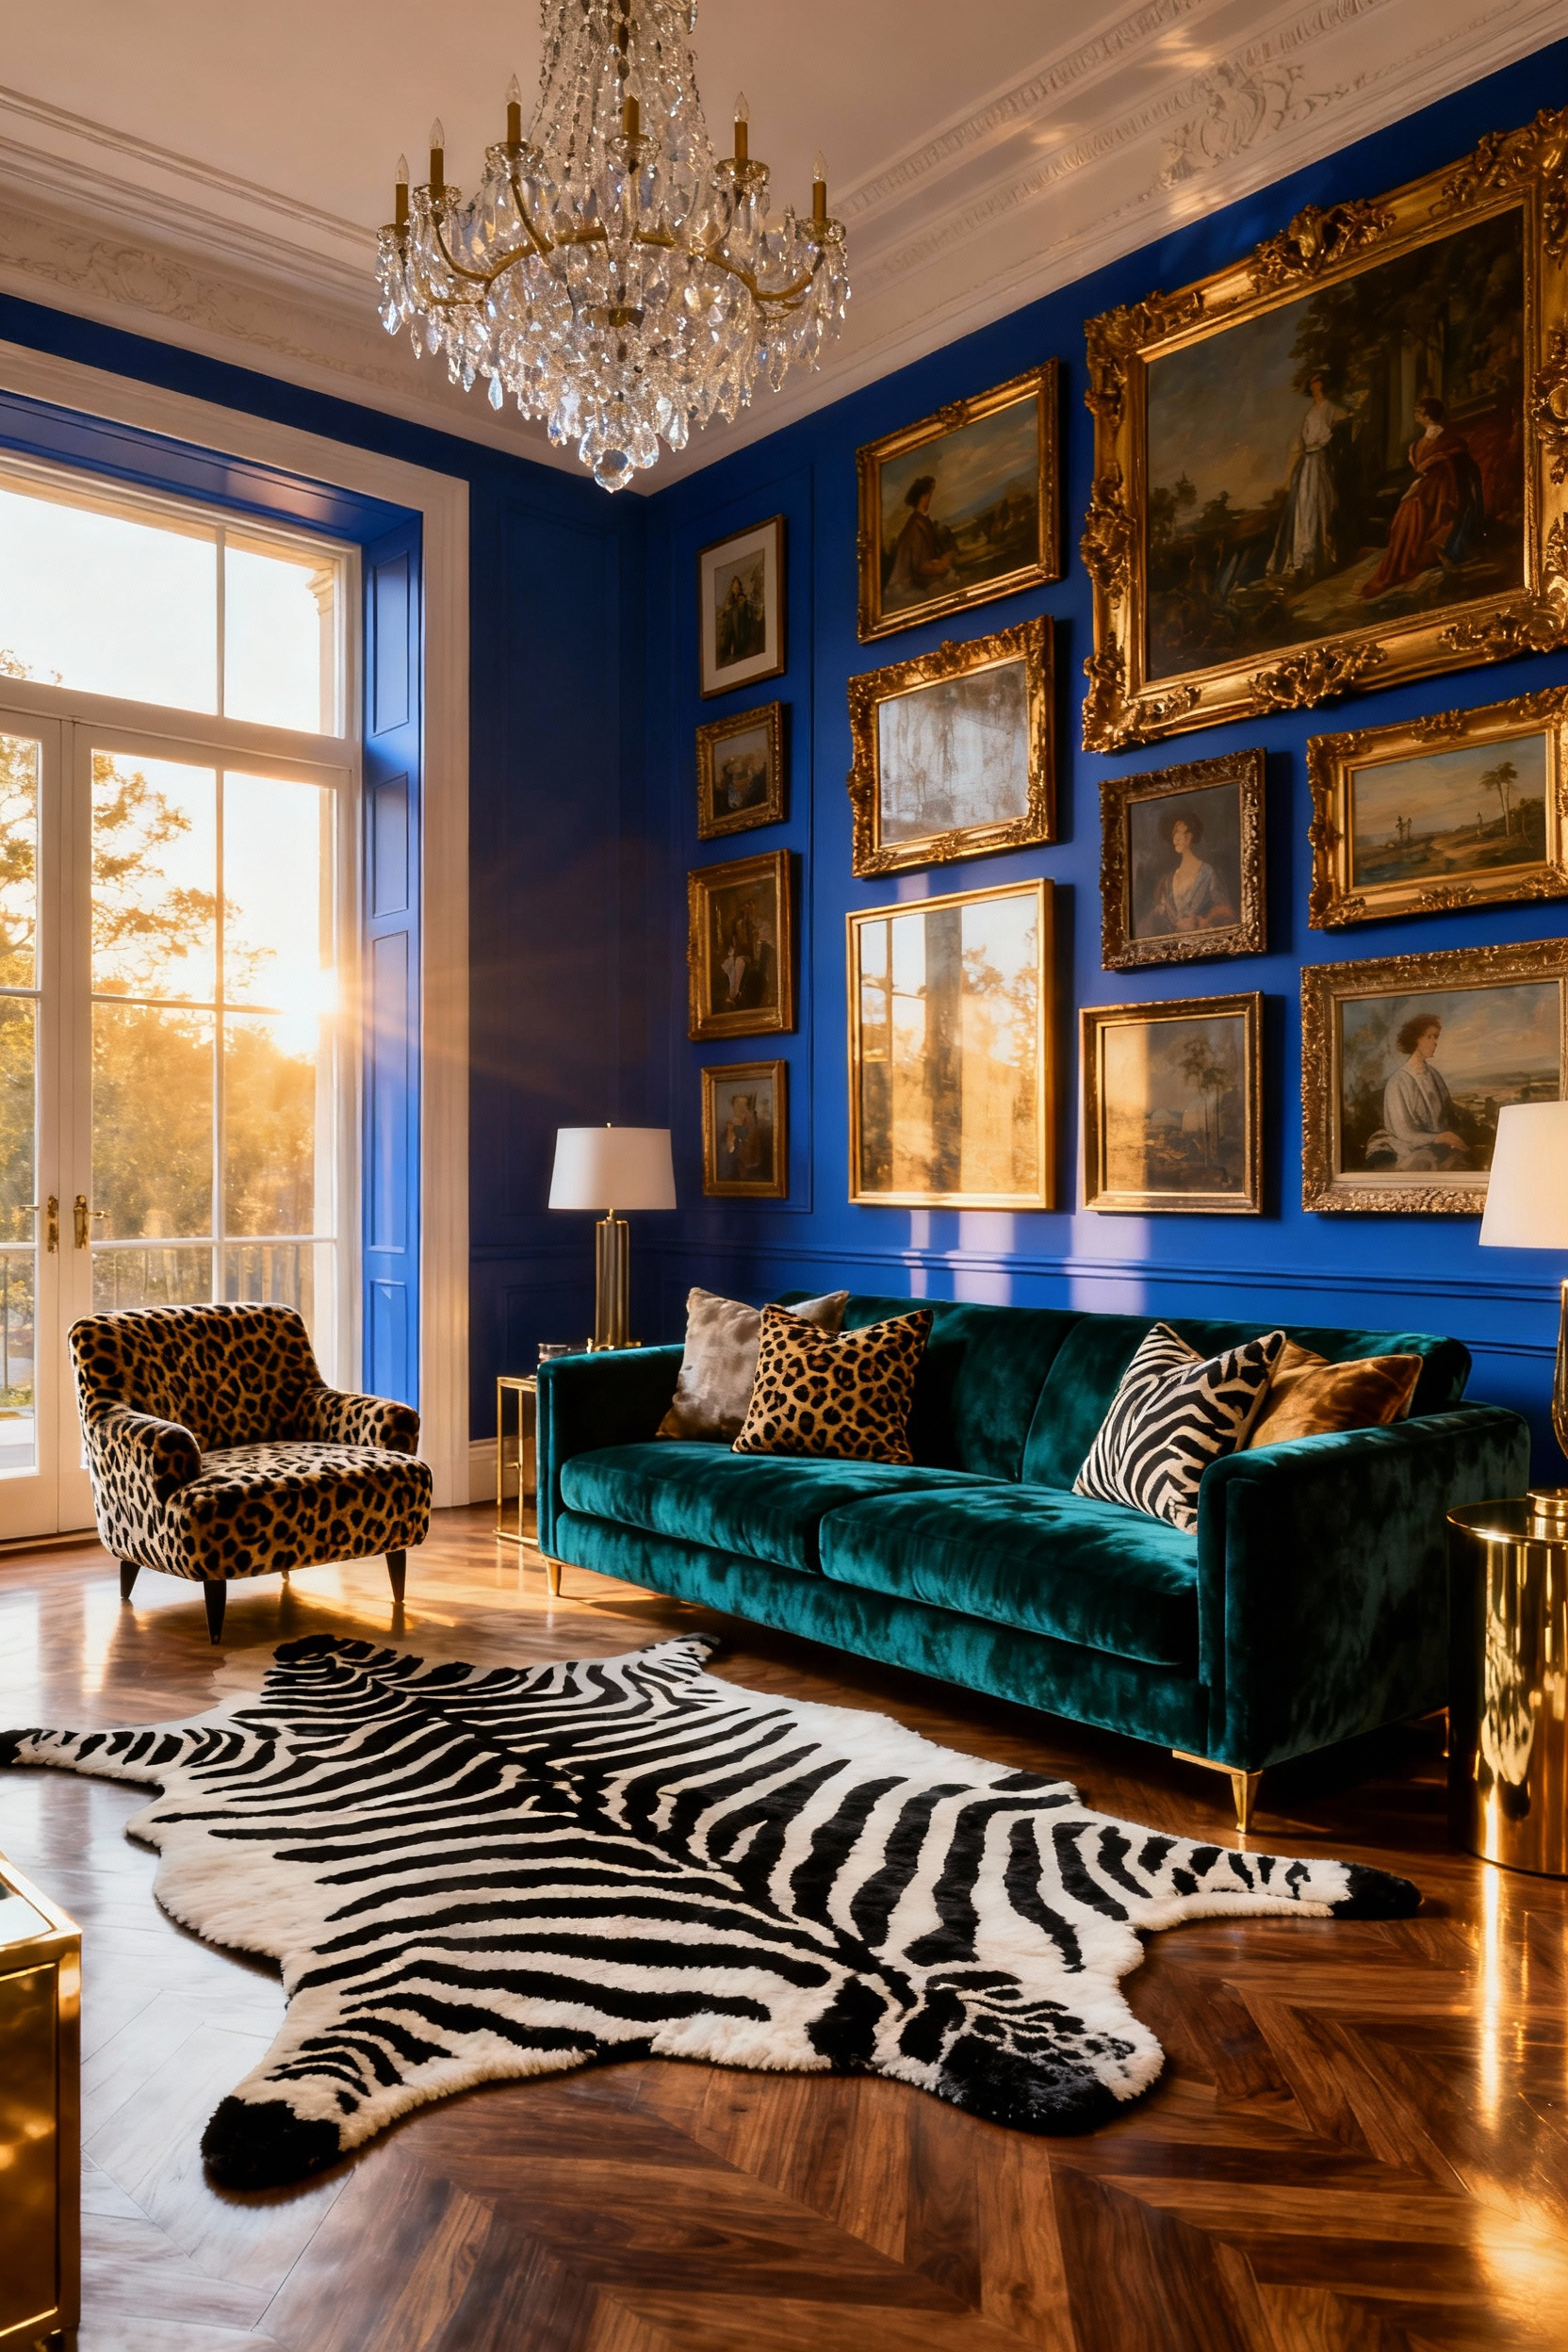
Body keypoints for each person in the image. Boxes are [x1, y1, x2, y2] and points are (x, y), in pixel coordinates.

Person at [1362, 395, 1485, 599]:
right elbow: (1423, 470)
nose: (1415, 415)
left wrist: (1438, 488)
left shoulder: (1449, 441)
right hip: (1427, 487)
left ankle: (1412, 559)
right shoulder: (1418, 444)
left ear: (1427, 415)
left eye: (1418, 412)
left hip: (1445, 491)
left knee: (1414, 509)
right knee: (1407, 511)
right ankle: (1401, 562)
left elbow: (1462, 473)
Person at [1363, 1014, 1470, 1170]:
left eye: (1436, 1037)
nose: (1435, 1042)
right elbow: (1404, 1133)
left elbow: (1448, 1115)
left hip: (1441, 1147)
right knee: (1423, 1163)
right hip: (1411, 1151)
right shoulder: (1398, 1082)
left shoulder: (1434, 1075)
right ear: (1415, 1040)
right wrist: (1439, 1137)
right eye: (1429, 1037)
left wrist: (1448, 1135)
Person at [1267, 373, 1347, 580]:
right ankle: (1304, 559)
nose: (1314, 385)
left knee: (1321, 505)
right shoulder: (1310, 413)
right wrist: (1287, 478)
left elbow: (1344, 418)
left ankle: (1322, 556)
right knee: (1303, 507)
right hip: (1308, 462)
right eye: (1312, 382)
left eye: (1318, 381)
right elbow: (1300, 445)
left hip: (1321, 462)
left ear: (1323, 385)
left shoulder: (1330, 408)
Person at [1146, 811, 1235, 935]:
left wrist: (1200, 923)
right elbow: (1157, 917)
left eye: (1180, 832)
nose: (1176, 838)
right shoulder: (1168, 880)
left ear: (1190, 836)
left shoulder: (1207, 873)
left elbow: (1225, 914)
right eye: (1174, 833)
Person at [885, 474, 956, 608]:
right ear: (922, 497)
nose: (930, 498)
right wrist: (941, 565)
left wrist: (946, 557)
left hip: (928, 575)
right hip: (917, 581)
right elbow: (919, 566)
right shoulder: (914, 526)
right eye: (929, 494)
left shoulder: (924, 521)